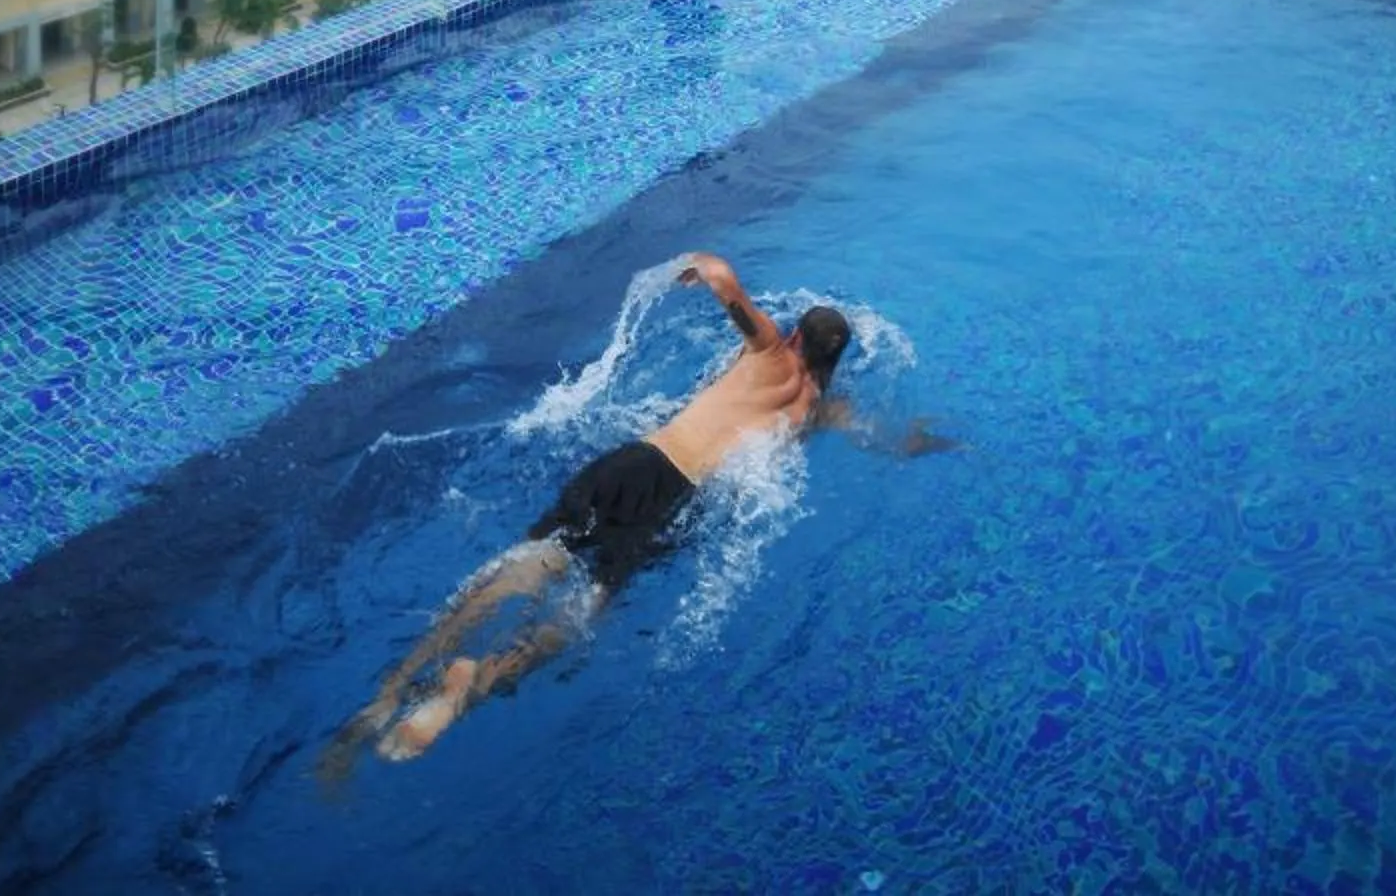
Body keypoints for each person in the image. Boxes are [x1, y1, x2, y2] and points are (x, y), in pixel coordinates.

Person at [333, 254, 949, 768]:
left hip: (638, 465)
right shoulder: (819, 410)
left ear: (793, 338)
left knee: (524, 569)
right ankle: (481, 681)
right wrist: (921, 440)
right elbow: (886, 440)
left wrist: (696, 267)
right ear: (834, 364)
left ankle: (388, 695)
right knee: (581, 615)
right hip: (678, 505)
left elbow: (724, 280)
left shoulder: (769, 353)